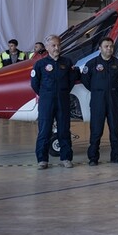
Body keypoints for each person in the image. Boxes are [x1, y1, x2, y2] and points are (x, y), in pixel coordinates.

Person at [30, 34, 78, 169]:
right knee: (44, 130)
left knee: (64, 129)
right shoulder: (40, 64)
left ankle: (66, 158)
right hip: (46, 101)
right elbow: (35, 83)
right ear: (47, 47)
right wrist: (46, 94)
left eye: (58, 45)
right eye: (53, 45)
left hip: (62, 100)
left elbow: (71, 80)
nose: (57, 48)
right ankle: (42, 160)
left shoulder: (67, 62)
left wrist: (63, 91)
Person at [81, 37, 118, 165]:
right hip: (97, 100)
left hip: (113, 99)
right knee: (96, 130)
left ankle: (116, 157)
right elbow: (85, 80)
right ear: (100, 48)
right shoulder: (91, 64)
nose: (109, 49)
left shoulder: (117, 64)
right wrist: (97, 89)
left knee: (115, 130)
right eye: (106, 46)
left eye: (111, 46)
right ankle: (93, 158)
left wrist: (112, 87)